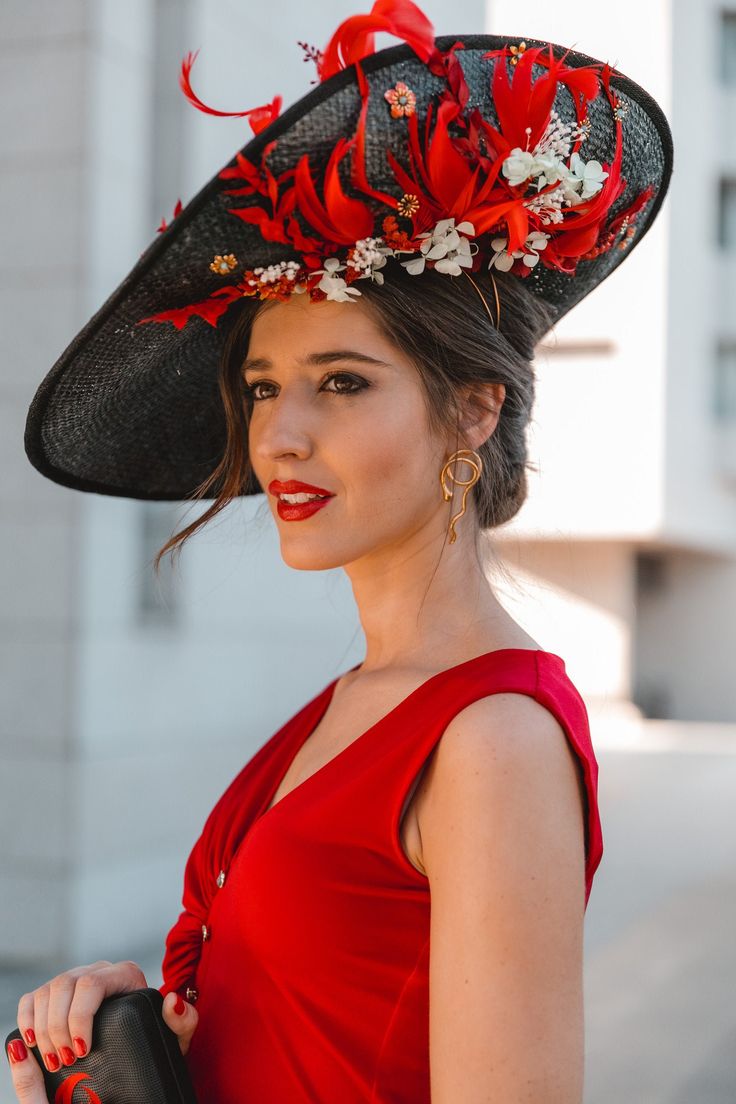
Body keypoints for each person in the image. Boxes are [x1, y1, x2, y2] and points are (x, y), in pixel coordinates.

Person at [9, 1, 672, 1101]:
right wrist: (133, 1046)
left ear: (471, 409)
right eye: (265, 387)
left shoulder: (491, 744)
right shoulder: (358, 698)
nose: (279, 434)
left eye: (343, 382)